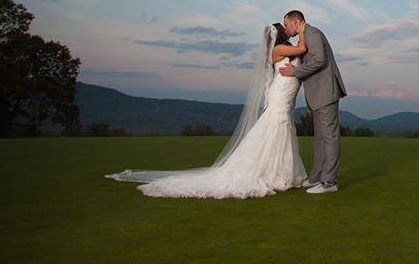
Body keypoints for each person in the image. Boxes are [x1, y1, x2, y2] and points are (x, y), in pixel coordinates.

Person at [104, 22, 308, 198]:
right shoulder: (278, 49)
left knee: (281, 129)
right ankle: (271, 174)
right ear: (279, 35)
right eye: (286, 28)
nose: (289, 30)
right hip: (280, 94)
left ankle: (280, 172)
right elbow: (302, 48)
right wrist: (303, 29)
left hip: (284, 93)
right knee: (275, 126)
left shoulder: (282, 48)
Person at [278, 10, 346, 194]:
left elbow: (319, 59)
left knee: (329, 137)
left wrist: (295, 72)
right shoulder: (304, 36)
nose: (286, 28)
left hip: (325, 92)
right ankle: (316, 177)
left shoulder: (312, 33)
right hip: (317, 94)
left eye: (286, 24)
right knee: (320, 138)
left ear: (295, 22)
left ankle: (330, 182)